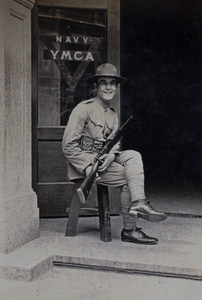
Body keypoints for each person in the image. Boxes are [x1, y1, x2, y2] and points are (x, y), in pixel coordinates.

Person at [62, 63, 167, 245]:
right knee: (129, 178)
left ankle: (139, 201)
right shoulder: (83, 108)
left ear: (117, 88)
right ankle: (129, 230)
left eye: (113, 83)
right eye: (104, 83)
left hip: (103, 161)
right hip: (85, 165)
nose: (109, 87)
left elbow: (114, 143)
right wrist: (87, 168)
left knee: (134, 155)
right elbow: (68, 145)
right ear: (97, 86)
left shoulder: (112, 115)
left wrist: (111, 155)